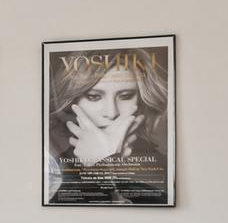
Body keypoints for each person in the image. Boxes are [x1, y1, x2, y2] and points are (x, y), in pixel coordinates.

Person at [44, 48, 169, 204]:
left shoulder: (163, 165)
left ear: (141, 101)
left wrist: (103, 163)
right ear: (73, 102)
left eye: (125, 96)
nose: (111, 113)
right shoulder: (54, 166)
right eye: (94, 97)